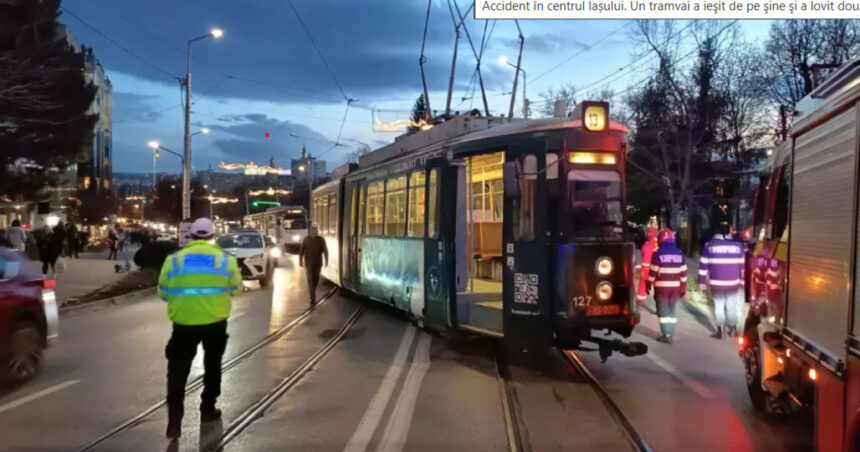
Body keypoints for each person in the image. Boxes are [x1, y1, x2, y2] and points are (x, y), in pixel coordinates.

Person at [158, 217, 241, 440]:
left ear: (192, 236)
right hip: (215, 324)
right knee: (212, 366)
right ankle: (207, 408)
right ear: (212, 236)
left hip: (183, 326)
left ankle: (174, 422)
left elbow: (163, 292)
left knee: (176, 373)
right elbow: (236, 289)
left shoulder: (174, 260)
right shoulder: (225, 260)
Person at [699, 222, 746, 339]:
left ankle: (721, 331)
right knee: (731, 305)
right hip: (733, 283)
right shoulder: (738, 246)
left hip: (717, 283)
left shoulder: (709, 246)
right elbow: (742, 266)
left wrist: (701, 281)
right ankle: (733, 329)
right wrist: (742, 281)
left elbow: (703, 265)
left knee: (719, 305)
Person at [646, 228, 687, 344]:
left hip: (662, 288)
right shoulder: (679, 253)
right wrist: (683, 286)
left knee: (663, 311)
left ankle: (666, 335)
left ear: (660, 240)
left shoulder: (658, 253)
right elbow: (684, 272)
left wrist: (648, 284)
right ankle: (670, 332)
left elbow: (653, 272)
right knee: (672, 310)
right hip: (675, 288)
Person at [299, 225, 328, 306]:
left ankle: (313, 291)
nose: (314, 232)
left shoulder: (321, 240)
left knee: (316, 279)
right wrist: (300, 261)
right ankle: (312, 296)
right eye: (312, 231)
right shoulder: (306, 240)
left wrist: (326, 260)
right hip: (309, 263)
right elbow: (301, 251)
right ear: (310, 232)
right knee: (310, 279)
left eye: (315, 231)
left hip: (318, 263)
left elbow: (325, 250)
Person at [636, 227, 658, 305]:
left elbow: (643, 253)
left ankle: (641, 299)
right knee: (657, 284)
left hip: (645, 268)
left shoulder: (646, 245)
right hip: (655, 268)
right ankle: (659, 302)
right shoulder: (658, 245)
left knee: (643, 283)